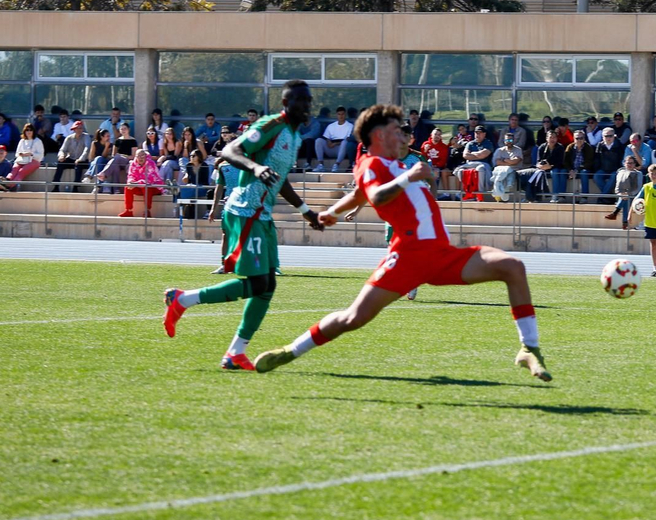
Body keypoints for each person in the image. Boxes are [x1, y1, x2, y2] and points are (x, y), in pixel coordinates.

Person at [242, 104, 550, 381]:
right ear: (378, 135)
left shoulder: (394, 163)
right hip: (408, 257)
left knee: (512, 266)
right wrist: (411, 177)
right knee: (353, 318)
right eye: (396, 130)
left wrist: (333, 212)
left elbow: (360, 195)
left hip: (442, 254)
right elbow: (375, 195)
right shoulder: (372, 164)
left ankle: (529, 349)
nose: (404, 135)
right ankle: (291, 351)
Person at [162, 81, 327, 370]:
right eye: (302, 101)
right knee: (258, 284)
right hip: (244, 209)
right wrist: (255, 167)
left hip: (262, 214)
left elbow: (280, 179)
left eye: (309, 101)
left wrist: (305, 210)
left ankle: (235, 352)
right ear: (286, 102)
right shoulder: (270, 124)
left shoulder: (294, 136)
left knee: (267, 285)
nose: (307, 106)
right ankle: (182, 299)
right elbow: (230, 151)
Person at [605, 154, 644, 228]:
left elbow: (638, 188)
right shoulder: (620, 173)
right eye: (628, 163)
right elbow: (617, 187)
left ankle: (616, 213)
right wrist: (621, 194)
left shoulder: (639, 174)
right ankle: (624, 223)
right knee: (625, 200)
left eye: (631, 163)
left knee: (626, 198)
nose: (629, 165)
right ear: (624, 163)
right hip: (623, 195)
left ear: (635, 164)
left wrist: (628, 194)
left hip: (634, 195)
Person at [54, 117, 89, 191]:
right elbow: (62, 149)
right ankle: (56, 186)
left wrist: (80, 159)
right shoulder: (69, 138)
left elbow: (87, 149)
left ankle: (75, 187)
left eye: (80, 128)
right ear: (74, 129)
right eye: (77, 128)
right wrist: (61, 156)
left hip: (82, 160)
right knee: (60, 164)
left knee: (79, 165)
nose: (79, 130)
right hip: (71, 158)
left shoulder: (86, 136)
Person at [591, 126, 623, 200]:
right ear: (602, 137)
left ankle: (603, 197)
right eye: (606, 136)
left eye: (610, 136)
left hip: (615, 170)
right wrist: (596, 169)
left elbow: (621, 159)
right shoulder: (600, 146)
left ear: (614, 136)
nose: (608, 138)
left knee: (614, 176)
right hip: (603, 169)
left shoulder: (619, 146)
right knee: (596, 176)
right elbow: (597, 159)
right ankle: (608, 196)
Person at [490, 133, 524, 202]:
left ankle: (504, 194)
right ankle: (502, 194)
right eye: (507, 140)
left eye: (511, 140)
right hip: (501, 170)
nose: (509, 142)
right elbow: (497, 162)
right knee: (503, 172)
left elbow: (515, 161)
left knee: (509, 171)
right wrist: (509, 162)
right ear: (504, 140)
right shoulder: (499, 150)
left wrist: (504, 160)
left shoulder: (518, 150)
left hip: (514, 171)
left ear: (514, 140)